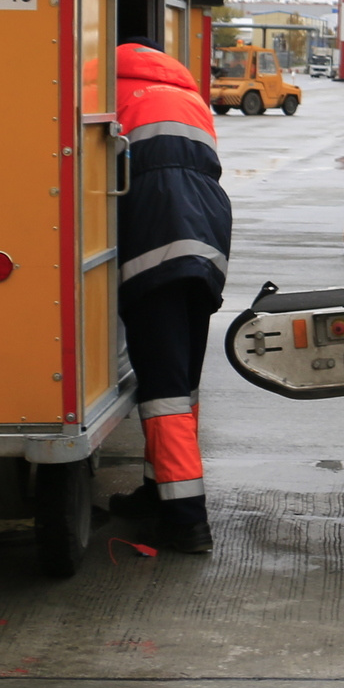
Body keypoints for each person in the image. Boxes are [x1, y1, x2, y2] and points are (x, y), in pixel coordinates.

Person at [109, 38, 235, 555]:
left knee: (162, 393)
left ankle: (186, 521)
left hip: (154, 230)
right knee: (181, 382)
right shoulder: (189, 97)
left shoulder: (102, 89)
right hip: (207, 235)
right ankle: (158, 491)